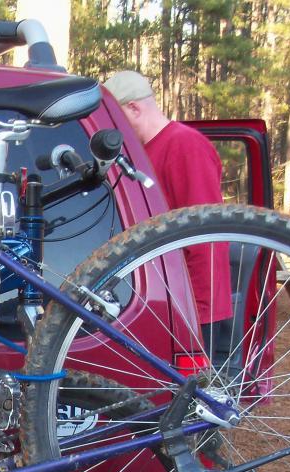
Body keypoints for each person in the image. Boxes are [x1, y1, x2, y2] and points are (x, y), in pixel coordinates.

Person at [103, 70, 237, 377]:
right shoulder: (143, 152)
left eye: (117, 120)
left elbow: (205, 234)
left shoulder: (184, 146)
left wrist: (196, 309)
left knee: (192, 396)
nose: (116, 131)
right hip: (166, 301)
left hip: (195, 308)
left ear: (134, 108)